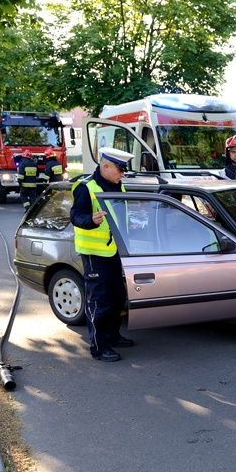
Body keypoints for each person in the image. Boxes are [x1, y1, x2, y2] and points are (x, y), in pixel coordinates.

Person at [69, 147, 135, 362]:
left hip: (115, 251)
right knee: (99, 301)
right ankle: (99, 346)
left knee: (117, 297)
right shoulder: (86, 187)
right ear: (105, 166)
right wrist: (91, 220)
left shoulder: (118, 185)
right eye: (120, 169)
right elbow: (76, 216)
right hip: (95, 254)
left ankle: (113, 336)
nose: (123, 174)